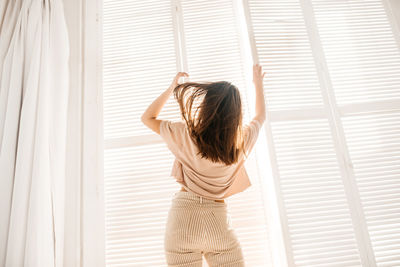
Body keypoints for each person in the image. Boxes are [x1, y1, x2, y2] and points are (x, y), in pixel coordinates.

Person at [141, 64, 266, 267]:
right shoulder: (240, 142)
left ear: (207, 106)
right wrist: (258, 84)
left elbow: (147, 118)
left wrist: (172, 88)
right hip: (217, 221)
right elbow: (260, 117)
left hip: (182, 219)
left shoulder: (184, 133)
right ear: (236, 114)